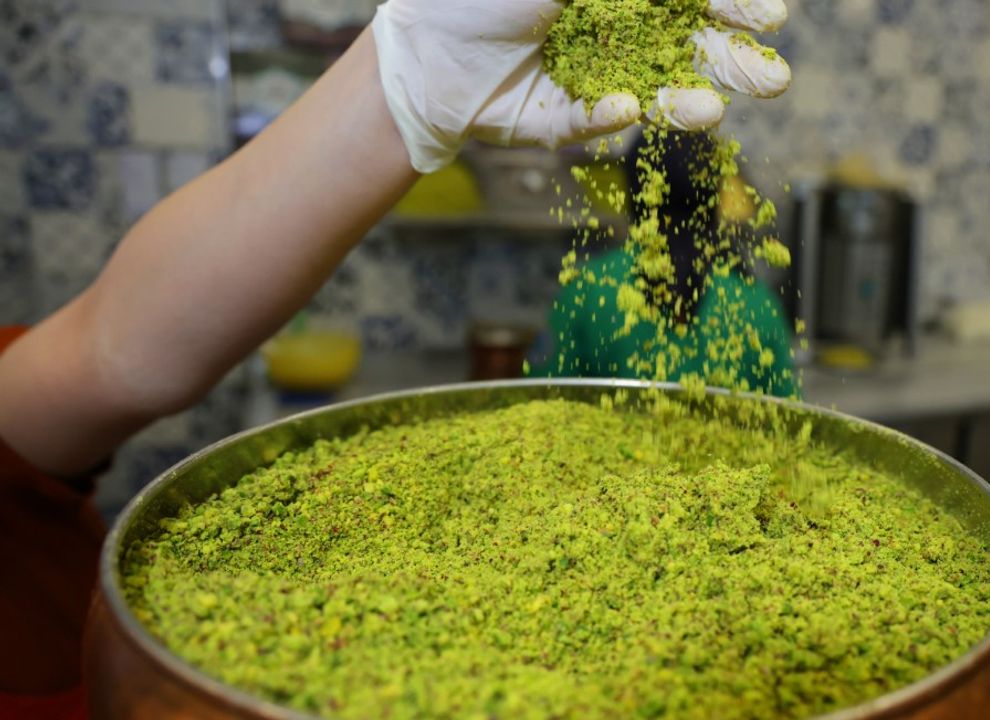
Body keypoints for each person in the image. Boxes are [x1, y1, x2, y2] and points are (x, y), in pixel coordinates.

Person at [0, 0, 790, 715]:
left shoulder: (596, 284)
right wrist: (404, 77)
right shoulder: (753, 303)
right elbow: (778, 422)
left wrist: (398, 79)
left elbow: (552, 402)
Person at [529, 130, 797, 397]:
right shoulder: (756, 303)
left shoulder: (589, 289)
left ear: (633, 191)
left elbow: (542, 398)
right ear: (716, 194)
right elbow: (788, 413)